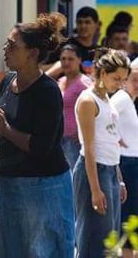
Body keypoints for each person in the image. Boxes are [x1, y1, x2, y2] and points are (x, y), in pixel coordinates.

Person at [0, 12, 75, 257]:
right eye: (6, 43)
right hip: (10, 183)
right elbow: (2, 132)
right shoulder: (8, 82)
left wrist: (4, 129)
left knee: (42, 251)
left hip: (43, 188)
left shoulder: (48, 92)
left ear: (33, 53)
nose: (5, 49)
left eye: (12, 45)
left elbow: (41, 147)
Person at [73, 48, 130, 257]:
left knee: (110, 239)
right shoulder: (89, 101)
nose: (120, 84)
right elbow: (88, 147)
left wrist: (119, 178)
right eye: (116, 78)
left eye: (124, 79)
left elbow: (112, 140)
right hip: (94, 171)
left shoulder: (106, 99)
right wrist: (95, 189)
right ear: (103, 73)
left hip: (111, 170)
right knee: (93, 239)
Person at [110, 58, 138, 258]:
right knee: (128, 216)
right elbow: (102, 119)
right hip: (126, 164)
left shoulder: (129, 100)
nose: (137, 84)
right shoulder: (121, 98)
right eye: (134, 79)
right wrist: (115, 138)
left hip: (132, 162)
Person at [58, 44, 92, 170]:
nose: (66, 62)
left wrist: (82, 132)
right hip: (60, 139)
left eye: (71, 59)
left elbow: (94, 109)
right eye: (63, 59)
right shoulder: (60, 81)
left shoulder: (84, 83)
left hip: (75, 140)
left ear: (79, 60)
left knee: (74, 177)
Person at [44, 6, 100, 79]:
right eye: (80, 22)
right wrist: (62, 65)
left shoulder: (99, 51)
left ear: (96, 24)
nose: (83, 26)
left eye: (87, 22)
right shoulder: (64, 45)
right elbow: (41, 68)